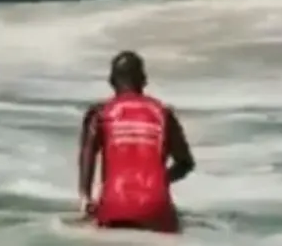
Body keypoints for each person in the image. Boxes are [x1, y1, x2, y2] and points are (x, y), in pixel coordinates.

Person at [77, 50, 195, 233]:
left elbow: (87, 155)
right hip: (157, 209)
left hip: (114, 206)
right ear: (144, 81)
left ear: (111, 81)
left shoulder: (99, 113)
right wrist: (160, 180)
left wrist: (85, 197)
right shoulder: (163, 113)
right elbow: (185, 163)